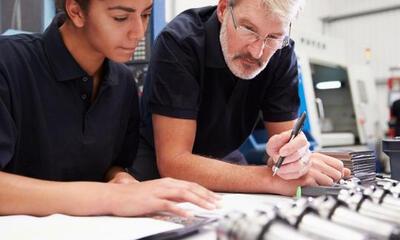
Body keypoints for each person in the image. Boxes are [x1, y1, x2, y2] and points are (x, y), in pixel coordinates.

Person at [0, 0, 219, 217]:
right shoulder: (8, 64)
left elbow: (112, 165)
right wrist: (110, 197)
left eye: (145, 15)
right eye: (120, 18)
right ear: (76, 11)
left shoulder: (123, 83)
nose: (139, 32)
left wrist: (120, 178)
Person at [133, 0, 351, 195]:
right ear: (222, 9)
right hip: (157, 169)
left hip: (224, 160)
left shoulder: (281, 53)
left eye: (273, 37)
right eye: (248, 29)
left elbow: (287, 147)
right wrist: (270, 179)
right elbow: (174, 162)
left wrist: (295, 160)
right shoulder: (180, 43)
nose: (257, 52)